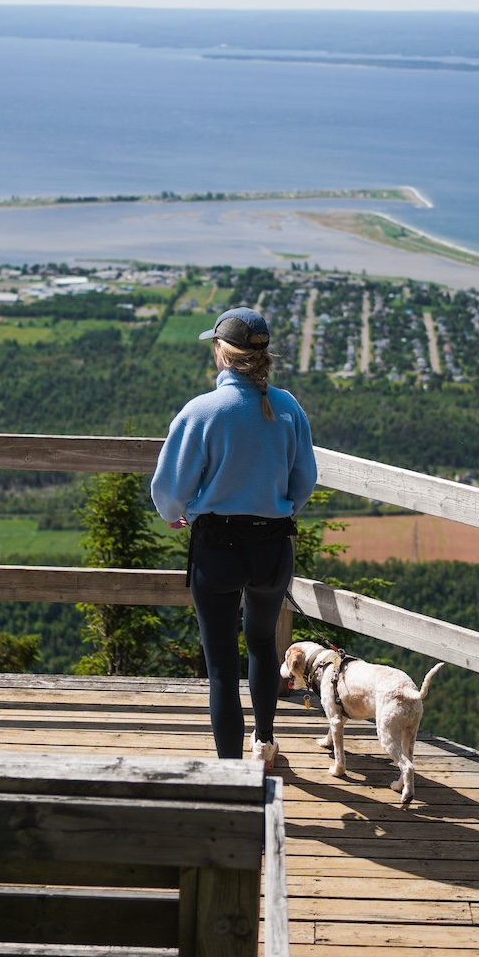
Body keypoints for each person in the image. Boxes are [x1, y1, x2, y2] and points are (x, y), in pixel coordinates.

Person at [151, 307, 317, 772]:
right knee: (262, 643)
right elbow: (304, 480)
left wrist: (177, 513)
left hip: (216, 550)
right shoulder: (288, 408)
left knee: (222, 666)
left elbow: (168, 489)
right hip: (272, 547)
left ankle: (230, 773)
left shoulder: (202, 411)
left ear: (222, 354)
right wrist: (279, 509)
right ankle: (264, 744)